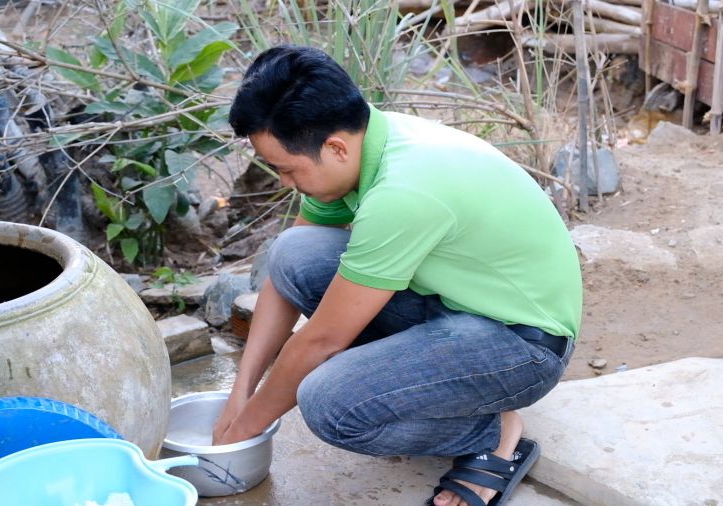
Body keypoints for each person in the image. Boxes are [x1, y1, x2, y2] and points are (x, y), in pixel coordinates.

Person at [212, 45, 582, 506]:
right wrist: (239, 393)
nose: (286, 183)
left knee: (330, 405)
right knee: (292, 251)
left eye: (287, 169)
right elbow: (285, 278)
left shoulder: (404, 189)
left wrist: (242, 434)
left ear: (335, 147)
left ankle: (493, 432)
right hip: (452, 305)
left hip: (522, 345)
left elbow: (321, 340)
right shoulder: (359, 145)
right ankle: (432, 391)